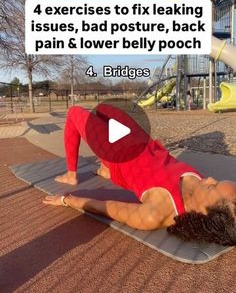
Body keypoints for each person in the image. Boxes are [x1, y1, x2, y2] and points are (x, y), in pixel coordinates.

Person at [43, 105, 236, 246]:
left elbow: (104, 207)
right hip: (140, 140)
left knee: (74, 112)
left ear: (205, 212)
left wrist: (66, 200)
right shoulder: (201, 184)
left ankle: (71, 174)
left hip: (116, 150)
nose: (209, 178)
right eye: (215, 180)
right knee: (104, 109)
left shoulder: (155, 214)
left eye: (212, 186)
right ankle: (105, 169)